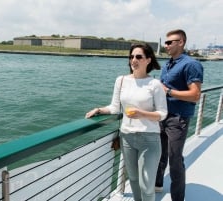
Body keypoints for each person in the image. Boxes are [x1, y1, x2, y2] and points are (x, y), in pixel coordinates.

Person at [85, 43, 168, 201]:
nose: (133, 60)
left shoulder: (154, 84)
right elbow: (116, 107)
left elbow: (163, 114)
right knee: (134, 180)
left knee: (147, 185)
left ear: (148, 60)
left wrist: (142, 114)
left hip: (149, 139)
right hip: (127, 137)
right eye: (131, 56)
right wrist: (100, 110)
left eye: (138, 57)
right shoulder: (121, 80)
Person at [155, 29, 204, 201]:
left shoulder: (191, 64)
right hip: (162, 116)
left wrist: (168, 91)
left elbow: (195, 95)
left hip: (178, 118)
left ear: (181, 42)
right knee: (159, 154)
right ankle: (158, 184)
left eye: (170, 42)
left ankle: (178, 198)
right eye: (165, 42)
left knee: (175, 160)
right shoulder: (168, 64)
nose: (166, 45)